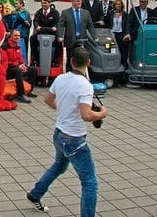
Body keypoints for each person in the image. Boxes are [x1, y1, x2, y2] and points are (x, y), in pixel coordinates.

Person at [27, 47, 107, 217]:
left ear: (71, 61)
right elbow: (86, 115)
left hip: (59, 134)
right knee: (90, 182)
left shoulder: (61, 78)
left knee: (59, 166)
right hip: (74, 140)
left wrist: (64, 109)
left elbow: (48, 99)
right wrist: (102, 113)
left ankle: (35, 194)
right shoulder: (85, 86)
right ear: (88, 63)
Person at [59, 0, 97, 72]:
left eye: (80, 1)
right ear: (72, 2)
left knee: (81, 59)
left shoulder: (86, 13)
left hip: (82, 39)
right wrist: (60, 36)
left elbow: (90, 26)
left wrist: (95, 37)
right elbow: (60, 25)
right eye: (77, 1)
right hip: (70, 40)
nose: (79, 2)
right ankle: (69, 75)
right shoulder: (65, 12)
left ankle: (81, 75)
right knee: (70, 59)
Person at [4, 30, 38, 103]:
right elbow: (5, 62)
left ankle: (28, 91)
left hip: (17, 67)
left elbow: (21, 59)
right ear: (11, 36)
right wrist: (18, 66)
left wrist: (24, 66)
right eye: (15, 35)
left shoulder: (18, 46)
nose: (17, 37)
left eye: (19, 36)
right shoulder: (5, 46)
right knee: (18, 71)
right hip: (8, 70)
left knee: (33, 69)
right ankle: (20, 94)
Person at [32, 0, 60, 68]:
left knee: (59, 41)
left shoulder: (55, 12)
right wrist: (37, 26)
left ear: (49, 3)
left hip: (52, 32)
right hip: (41, 32)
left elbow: (58, 21)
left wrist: (55, 27)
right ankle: (35, 58)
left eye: (45, 3)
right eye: (42, 3)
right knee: (32, 38)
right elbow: (35, 21)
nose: (43, 5)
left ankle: (56, 60)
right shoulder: (39, 12)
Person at [109, 0, 128, 69]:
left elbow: (126, 25)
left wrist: (126, 34)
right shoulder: (110, 13)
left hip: (121, 34)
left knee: (122, 50)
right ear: (114, 5)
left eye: (119, 4)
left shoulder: (125, 14)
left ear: (121, 5)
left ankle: (123, 64)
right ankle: (112, 64)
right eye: (116, 4)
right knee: (112, 50)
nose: (118, 5)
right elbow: (108, 23)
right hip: (112, 35)